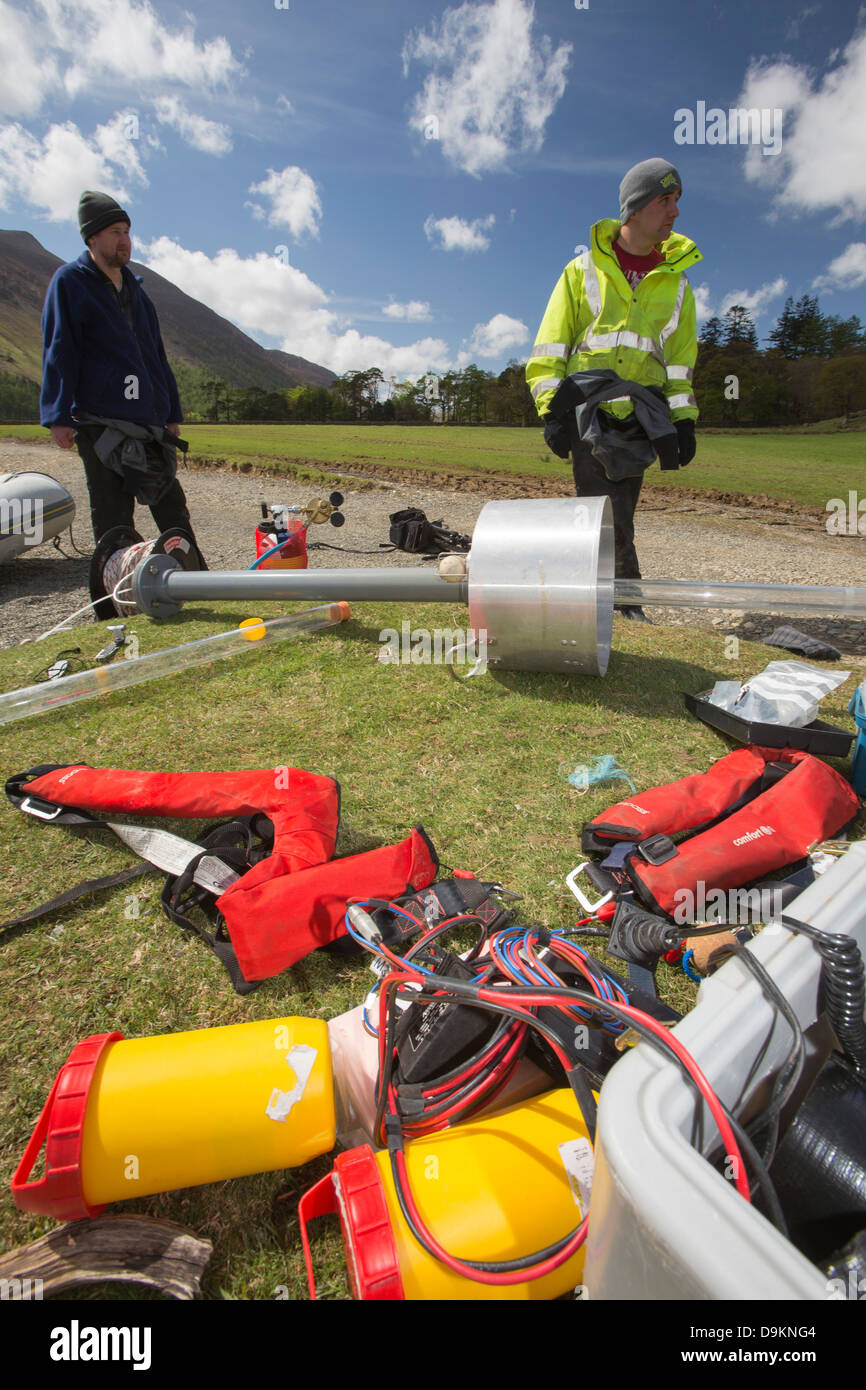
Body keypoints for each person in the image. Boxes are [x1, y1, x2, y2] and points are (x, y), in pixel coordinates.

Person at [526, 158, 701, 621]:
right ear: (636, 206)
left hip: (641, 418)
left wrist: (683, 421)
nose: (675, 212)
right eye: (666, 200)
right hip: (589, 414)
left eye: (677, 201)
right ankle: (624, 607)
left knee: (617, 514)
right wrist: (552, 411)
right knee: (605, 517)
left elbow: (679, 365)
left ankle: (602, 601)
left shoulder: (678, 285)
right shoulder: (580, 271)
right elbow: (549, 349)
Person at [40, 190, 202, 555]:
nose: (124, 240)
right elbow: (59, 348)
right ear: (92, 237)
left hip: (147, 426)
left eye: (127, 231)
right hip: (100, 425)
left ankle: (196, 588)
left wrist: (171, 414)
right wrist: (57, 416)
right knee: (114, 521)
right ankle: (114, 606)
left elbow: (156, 357)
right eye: (115, 231)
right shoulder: (70, 282)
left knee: (173, 510)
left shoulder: (137, 292)